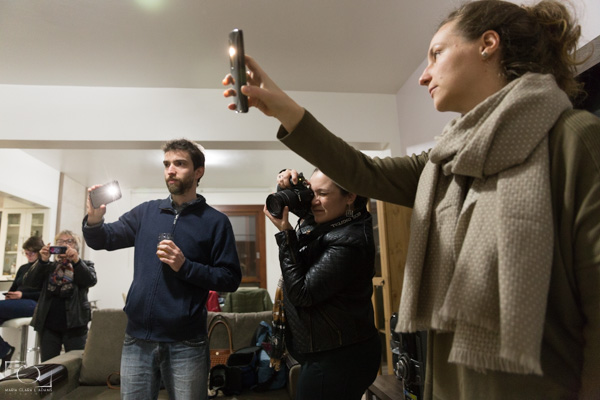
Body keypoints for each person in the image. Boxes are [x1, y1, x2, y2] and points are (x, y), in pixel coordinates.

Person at [223, 1, 600, 399]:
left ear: (489, 44)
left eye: (436, 53)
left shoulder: (573, 140)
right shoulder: (443, 162)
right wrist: (280, 106)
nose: (423, 77)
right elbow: (360, 171)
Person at [82, 138, 242, 400]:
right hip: (137, 341)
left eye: (180, 164)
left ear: (198, 172)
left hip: (187, 344)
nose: (171, 170)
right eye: (167, 164)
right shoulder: (146, 213)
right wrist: (95, 219)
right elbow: (103, 240)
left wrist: (185, 266)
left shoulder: (216, 222)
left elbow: (229, 278)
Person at [264, 168, 380, 400]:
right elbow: (301, 205)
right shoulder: (334, 220)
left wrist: (287, 238)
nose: (313, 201)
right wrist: (287, 184)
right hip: (329, 352)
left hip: (340, 358)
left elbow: (302, 293)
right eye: (311, 192)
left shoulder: (349, 240)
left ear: (350, 195)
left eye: (322, 194)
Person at [23, 231, 97, 362]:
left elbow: (90, 280)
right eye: (60, 242)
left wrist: (76, 261)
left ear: (76, 247)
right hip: (48, 324)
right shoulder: (48, 266)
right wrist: (42, 260)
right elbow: (29, 282)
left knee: (77, 364)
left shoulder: (85, 264)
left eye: (69, 241)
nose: (64, 244)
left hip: (75, 325)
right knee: (48, 367)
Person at [0, 236, 43, 372]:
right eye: (26, 253)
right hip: (19, 301)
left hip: (33, 303)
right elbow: (14, 287)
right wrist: (10, 295)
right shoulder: (23, 268)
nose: (29, 256)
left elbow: (44, 294)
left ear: (40, 252)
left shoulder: (45, 268)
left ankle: (5, 350)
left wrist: (22, 295)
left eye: (32, 253)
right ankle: (5, 350)